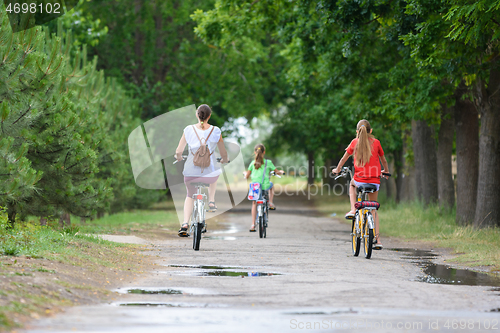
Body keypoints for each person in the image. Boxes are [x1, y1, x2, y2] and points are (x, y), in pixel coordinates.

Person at [332, 119, 389, 249]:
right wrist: (385, 171)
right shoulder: (377, 143)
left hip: (359, 180)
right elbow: (383, 160)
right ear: (371, 131)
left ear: (357, 131)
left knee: (352, 185)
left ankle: (353, 209)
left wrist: (338, 169)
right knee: (373, 209)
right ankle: (378, 239)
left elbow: (344, 158)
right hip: (374, 181)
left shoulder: (354, 142)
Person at [175, 104, 228, 237]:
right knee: (215, 174)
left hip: (190, 173)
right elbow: (223, 152)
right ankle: (211, 200)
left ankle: (185, 224)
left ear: (197, 115)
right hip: (209, 174)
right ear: (209, 116)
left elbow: (178, 151)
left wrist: (179, 157)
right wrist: (224, 159)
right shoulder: (216, 131)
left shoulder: (188, 129)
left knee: (189, 195)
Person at [244, 144, 284, 232]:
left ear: (255, 152)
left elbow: (247, 176)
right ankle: (270, 202)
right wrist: (281, 172)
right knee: (271, 185)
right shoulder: (268, 162)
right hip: (265, 185)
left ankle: (253, 225)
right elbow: (277, 172)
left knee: (254, 203)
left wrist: (245, 174)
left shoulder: (252, 163)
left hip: (255, 187)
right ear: (264, 152)